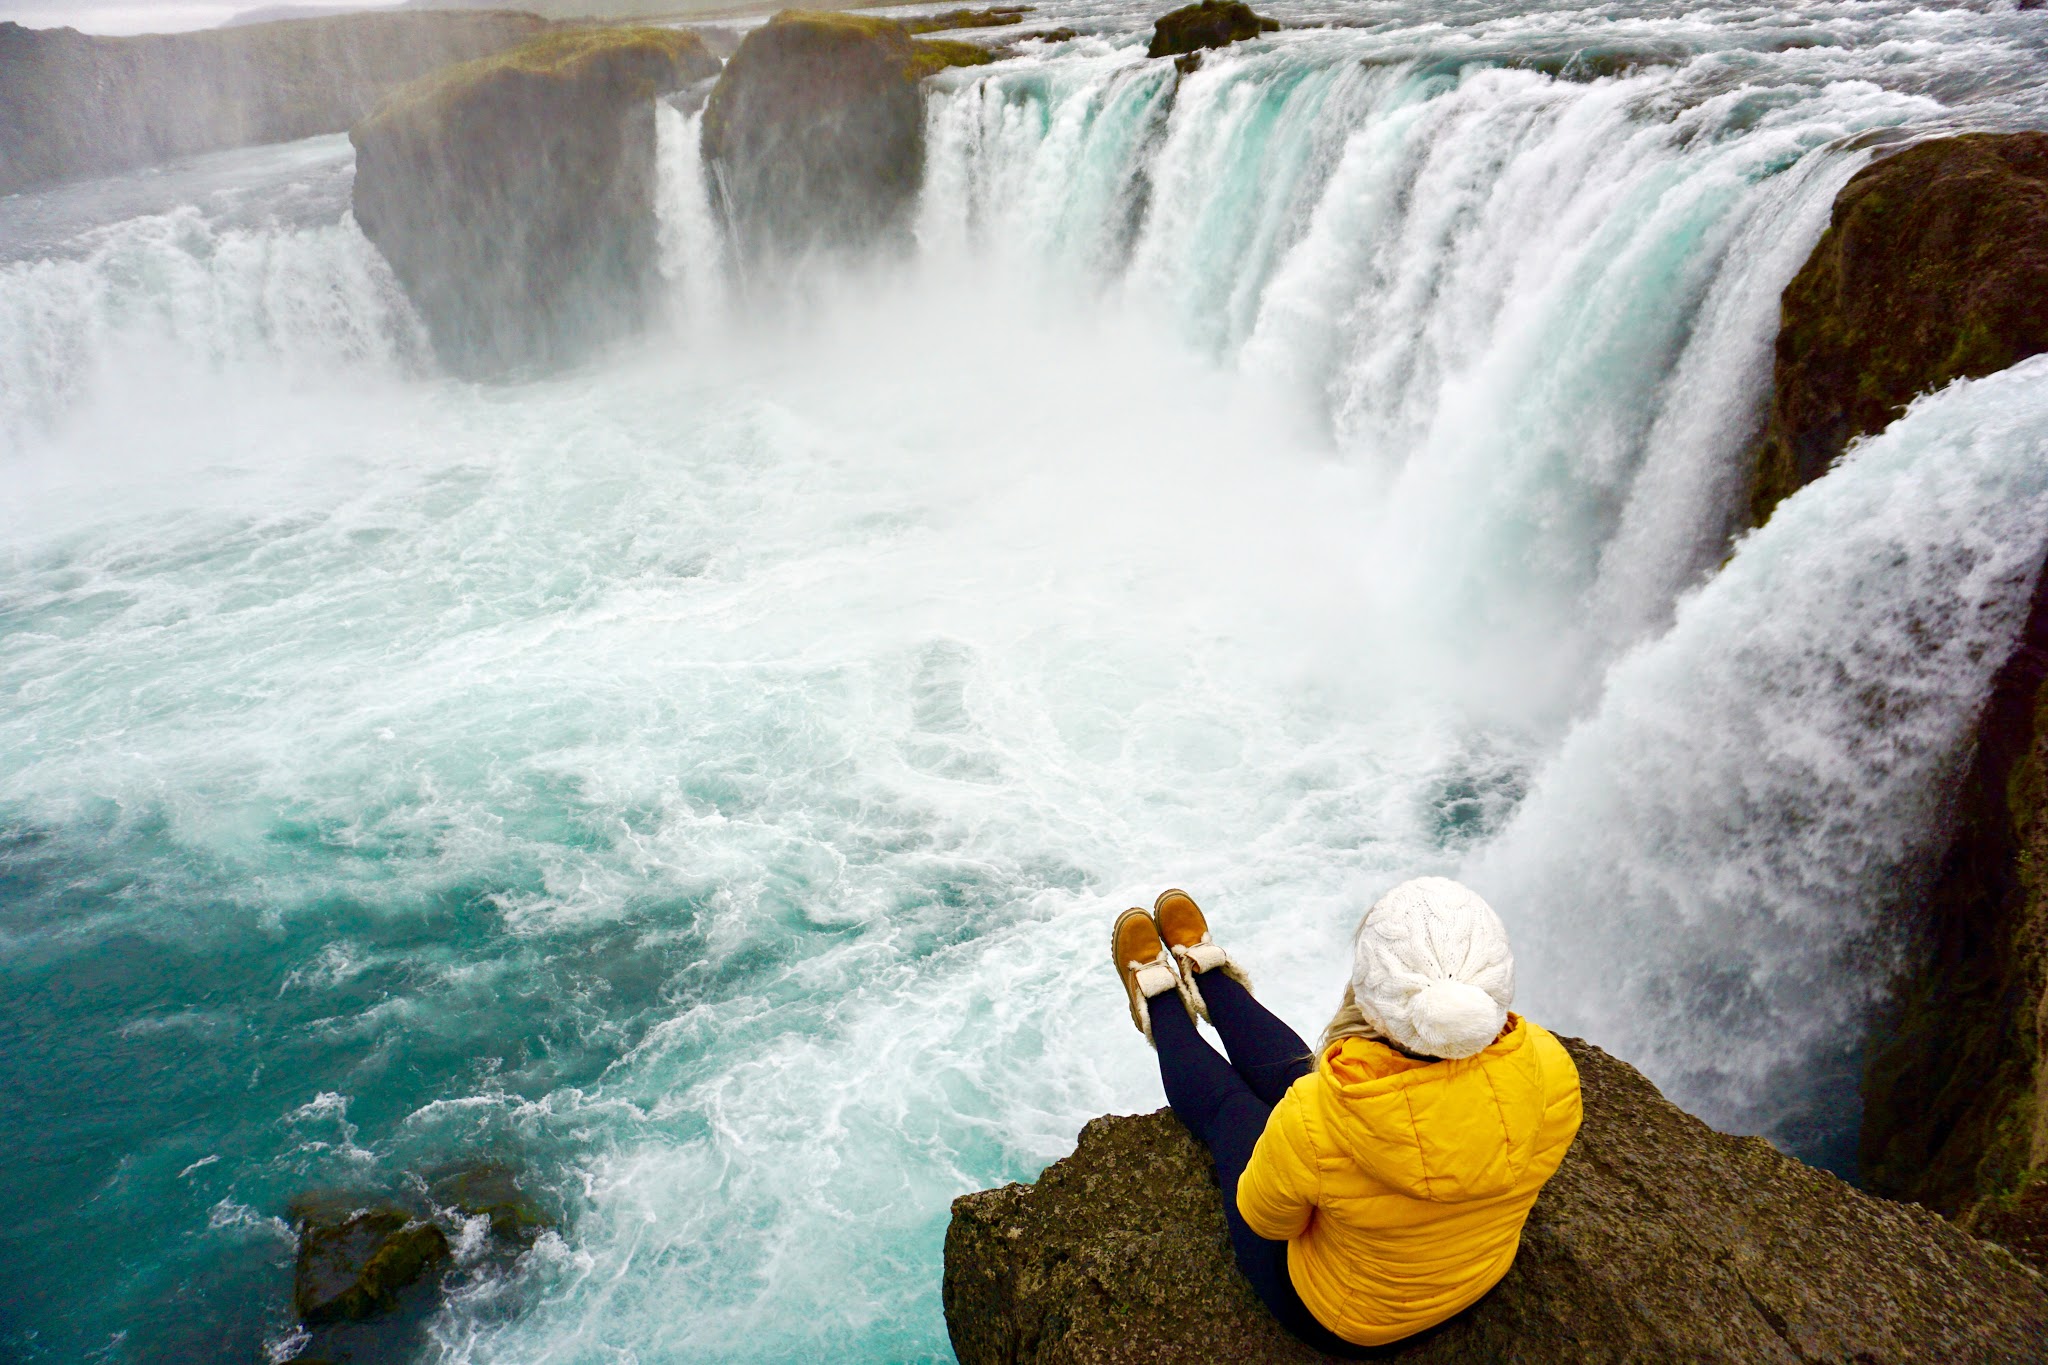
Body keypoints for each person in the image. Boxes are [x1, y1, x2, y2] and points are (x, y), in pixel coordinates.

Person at [1110, 879, 1582, 1354]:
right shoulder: (1553, 1065)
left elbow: (1268, 1221)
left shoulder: (1316, 1115)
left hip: (1343, 1319)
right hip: (1480, 1275)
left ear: (1365, 994)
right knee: (1303, 1088)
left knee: (1233, 1111)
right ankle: (1207, 978)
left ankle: (1160, 1002)